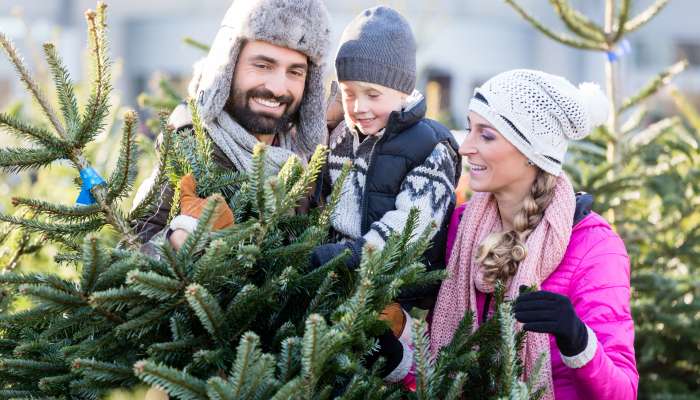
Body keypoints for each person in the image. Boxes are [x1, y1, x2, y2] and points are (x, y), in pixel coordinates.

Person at [428, 69, 638, 399]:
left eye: (486, 135)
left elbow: (624, 391)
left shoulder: (594, 247)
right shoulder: (460, 227)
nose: (466, 147)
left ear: (531, 153)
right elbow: (439, 357)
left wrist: (577, 339)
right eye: (470, 130)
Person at [309, 6, 461, 383]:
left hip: (395, 298)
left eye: (373, 94)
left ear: (404, 89)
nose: (359, 107)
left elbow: (412, 228)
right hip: (334, 284)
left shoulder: (431, 147)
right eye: (348, 94)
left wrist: (336, 258)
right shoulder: (338, 136)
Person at [132, 0, 331, 253]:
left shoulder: (307, 159)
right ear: (227, 67)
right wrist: (177, 242)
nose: (278, 88)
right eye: (262, 66)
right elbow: (129, 252)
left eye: (295, 72)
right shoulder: (190, 148)